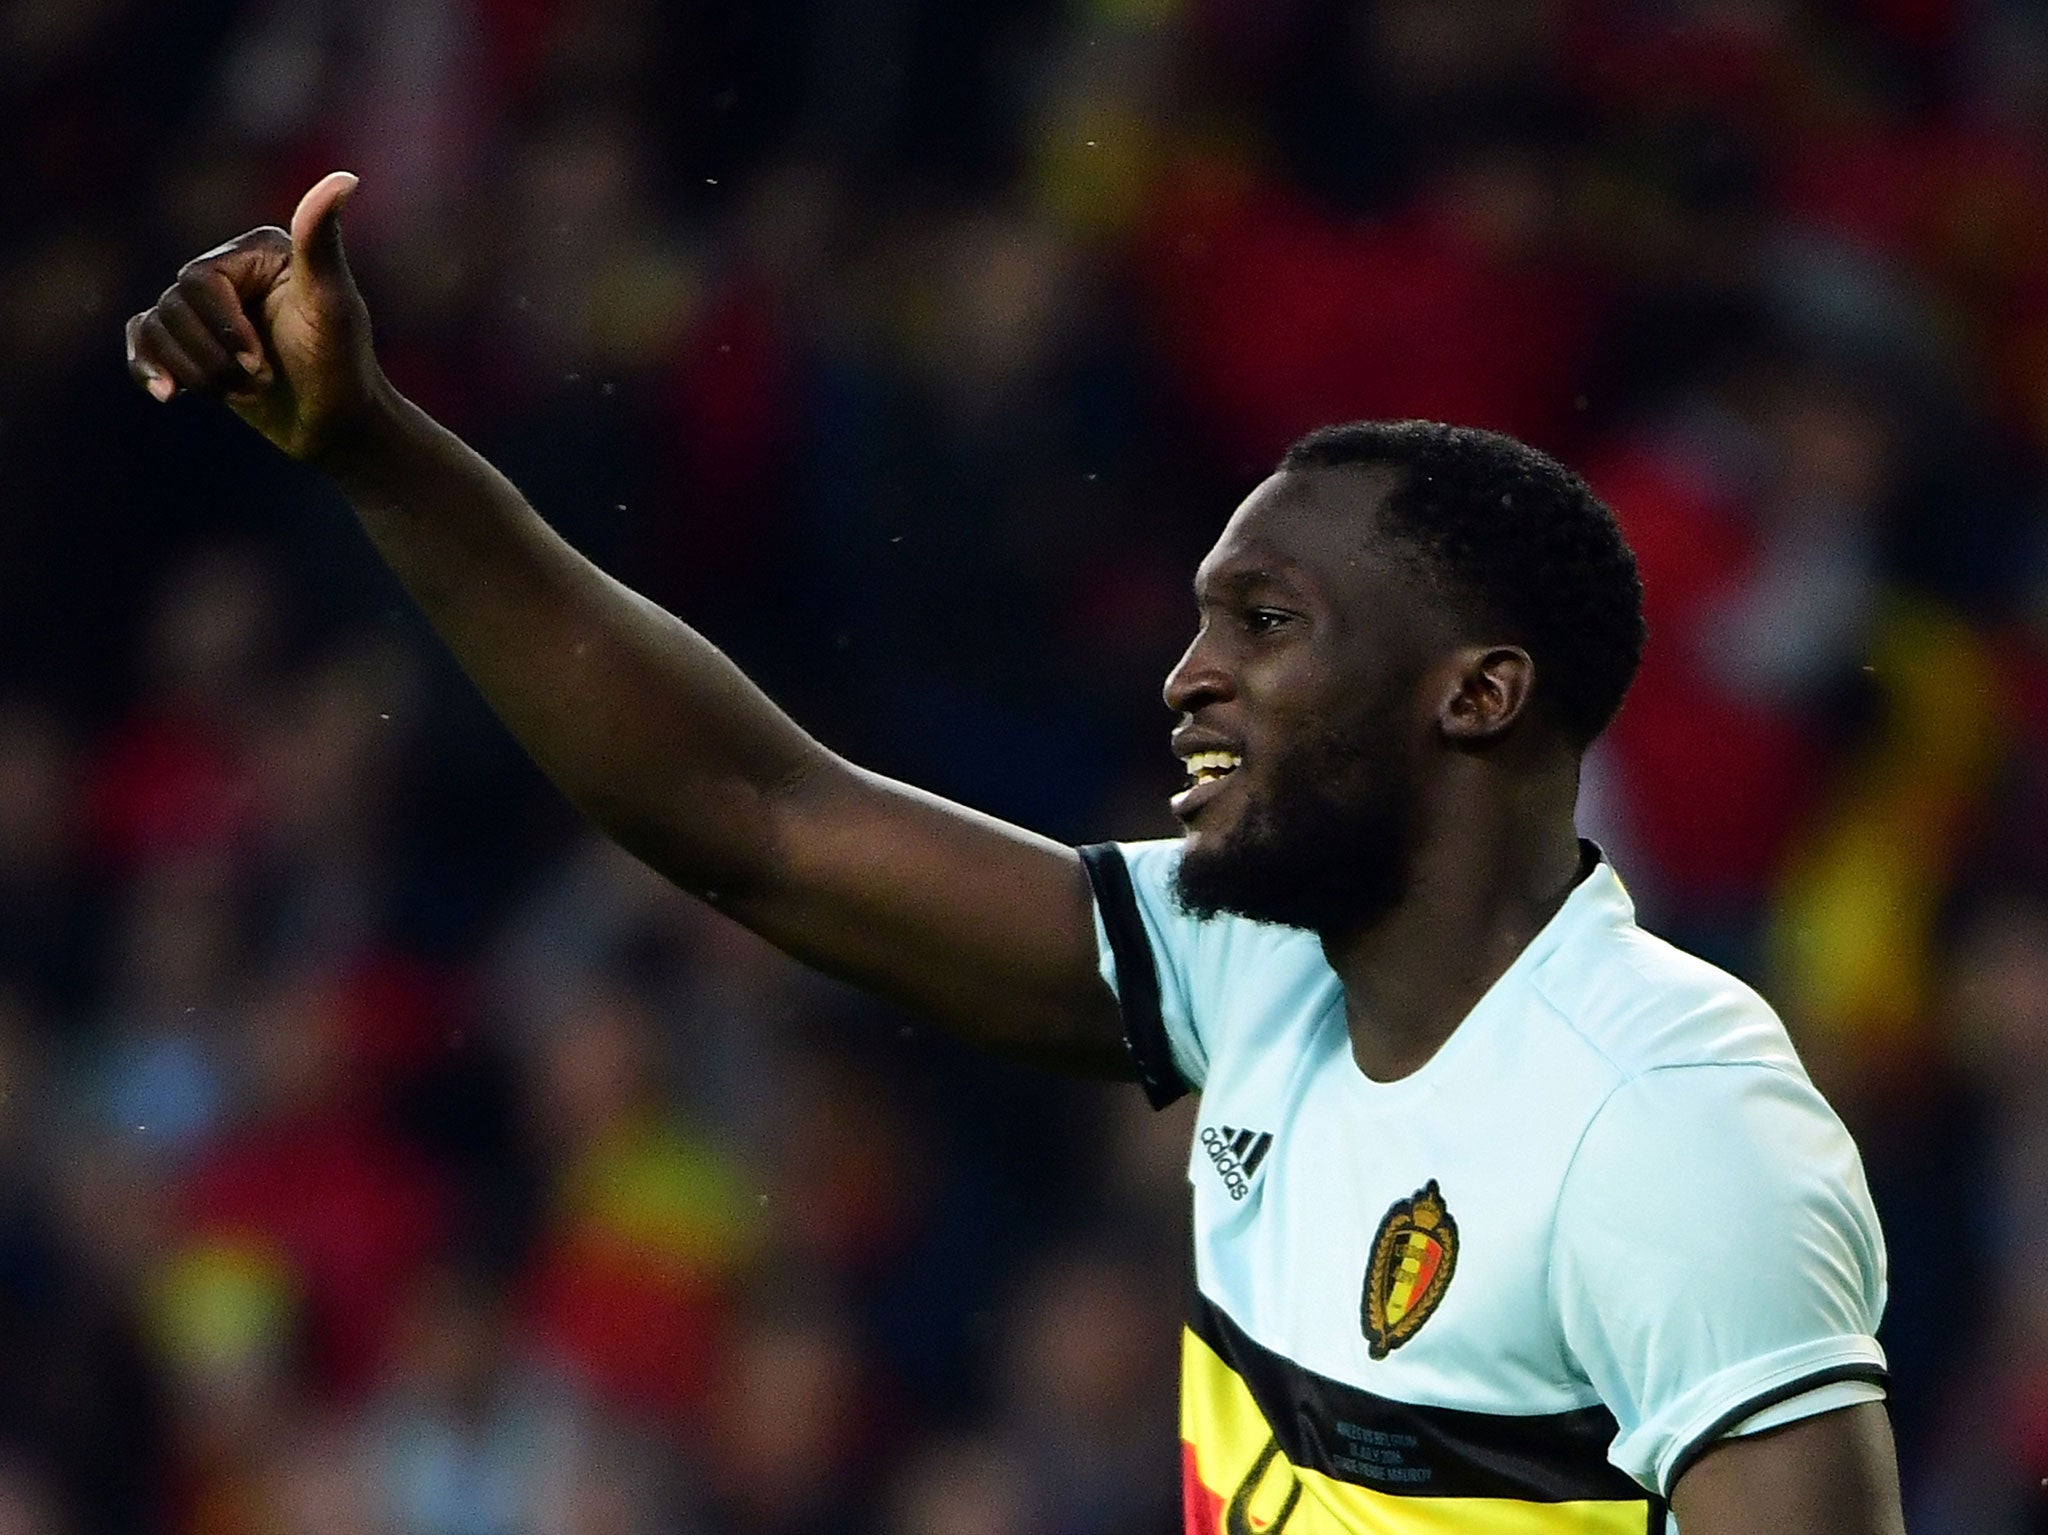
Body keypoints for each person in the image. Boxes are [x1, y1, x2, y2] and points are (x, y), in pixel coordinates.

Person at [125, 172, 1907, 1535]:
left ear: (1478, 694)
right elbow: (758, 821)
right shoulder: (1262, 965)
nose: (1190, 675)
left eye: (1268, 623)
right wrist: (371, 452)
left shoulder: (1665, 1126)